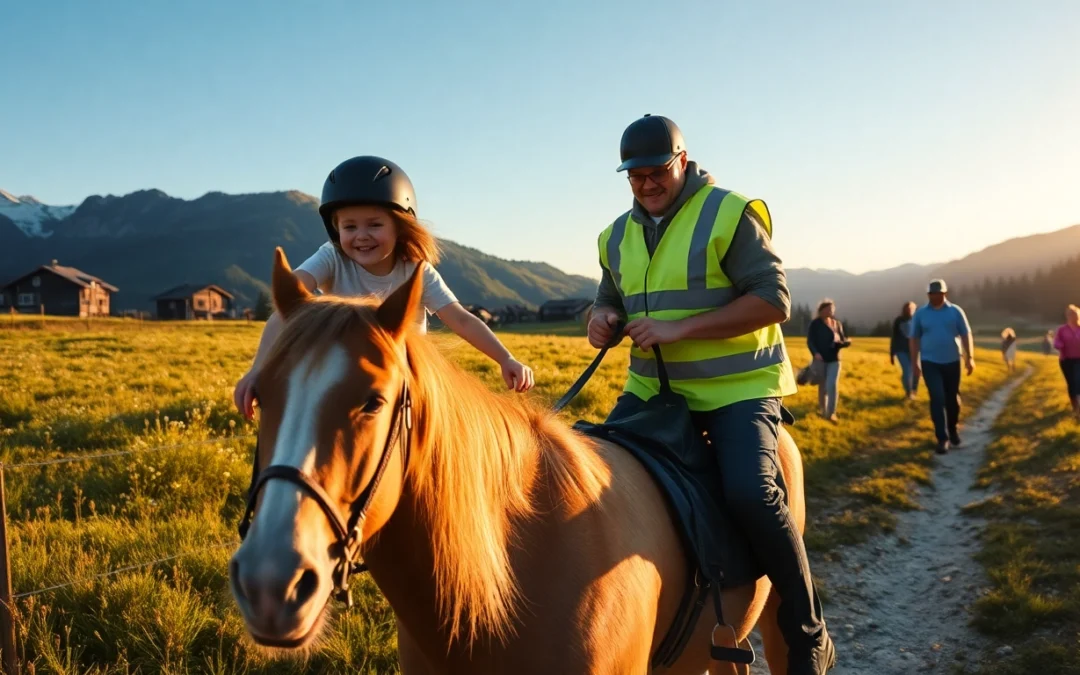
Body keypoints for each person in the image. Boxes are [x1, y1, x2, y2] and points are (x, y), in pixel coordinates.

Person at [588, 115, 834, 674]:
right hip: (652, 389)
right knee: (591, 485)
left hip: (737, 388)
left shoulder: (728, 212)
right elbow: (609, 298)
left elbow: (774, 301)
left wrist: (679, 330)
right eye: (635, 175)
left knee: (752, 494)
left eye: (657, 171)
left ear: (682, 161)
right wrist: (601, 318)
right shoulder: (615, 235)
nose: (647, 183)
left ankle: (806, 630)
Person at [233, 155, 534, 418]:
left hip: (407, 378)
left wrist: (505, 358)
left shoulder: (417, 270)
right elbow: (286, 310)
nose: (361, 235)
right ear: (336, 230)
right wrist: (258, 369)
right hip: (346, 377)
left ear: (401, 226)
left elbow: (461, 319)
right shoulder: (332, 257)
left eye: (374, 225)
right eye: (350, 227)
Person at [910, 279, 975, 454]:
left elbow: (965, 334)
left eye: (937, 293)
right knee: (937, 398)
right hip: (930, 362)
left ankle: (952, 429)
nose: (933, 296)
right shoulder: (921, 313)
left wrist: (970, 358)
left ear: (944, 294)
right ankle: (942, 438)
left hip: (953, 361)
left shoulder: (955, 311)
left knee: (952, 400)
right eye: (931, 294)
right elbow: (914, 338)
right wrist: (914, 363)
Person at [806, 299, 850, 422]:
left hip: (835, 360)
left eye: (832, 309)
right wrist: (815, 353)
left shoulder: (837, 324)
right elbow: (810, 341)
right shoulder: (815, 324)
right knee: (822, 386)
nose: (831, 311)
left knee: (831, 385)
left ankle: (831, 413)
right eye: (829, 309)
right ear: (822, 310)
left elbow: (841, 339)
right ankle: (822, 409)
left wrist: (845, 343)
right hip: (820, 360)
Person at [1053, 305, 1080, 420]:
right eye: (1069, 314)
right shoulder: (1062, 330)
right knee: (1072, 384)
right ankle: (1075, 406)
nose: (1071, 316)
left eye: (1074, 314)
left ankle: (1078, 409)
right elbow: (1056, 342)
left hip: (1079, 359)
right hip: (1066, 360)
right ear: (1067, 316)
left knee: (1078, 382)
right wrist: (1060, 345)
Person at [891, 301, 920, 399]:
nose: (910, 310)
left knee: (917, 370)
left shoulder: (917, 320)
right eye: (908, 308)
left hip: (915, 350)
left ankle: (914, 390)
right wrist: (891, 353)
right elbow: (894, 337)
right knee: (907, 370)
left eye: (912, 308)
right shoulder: (899, 321)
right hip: (901, 350)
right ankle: (908, 392)